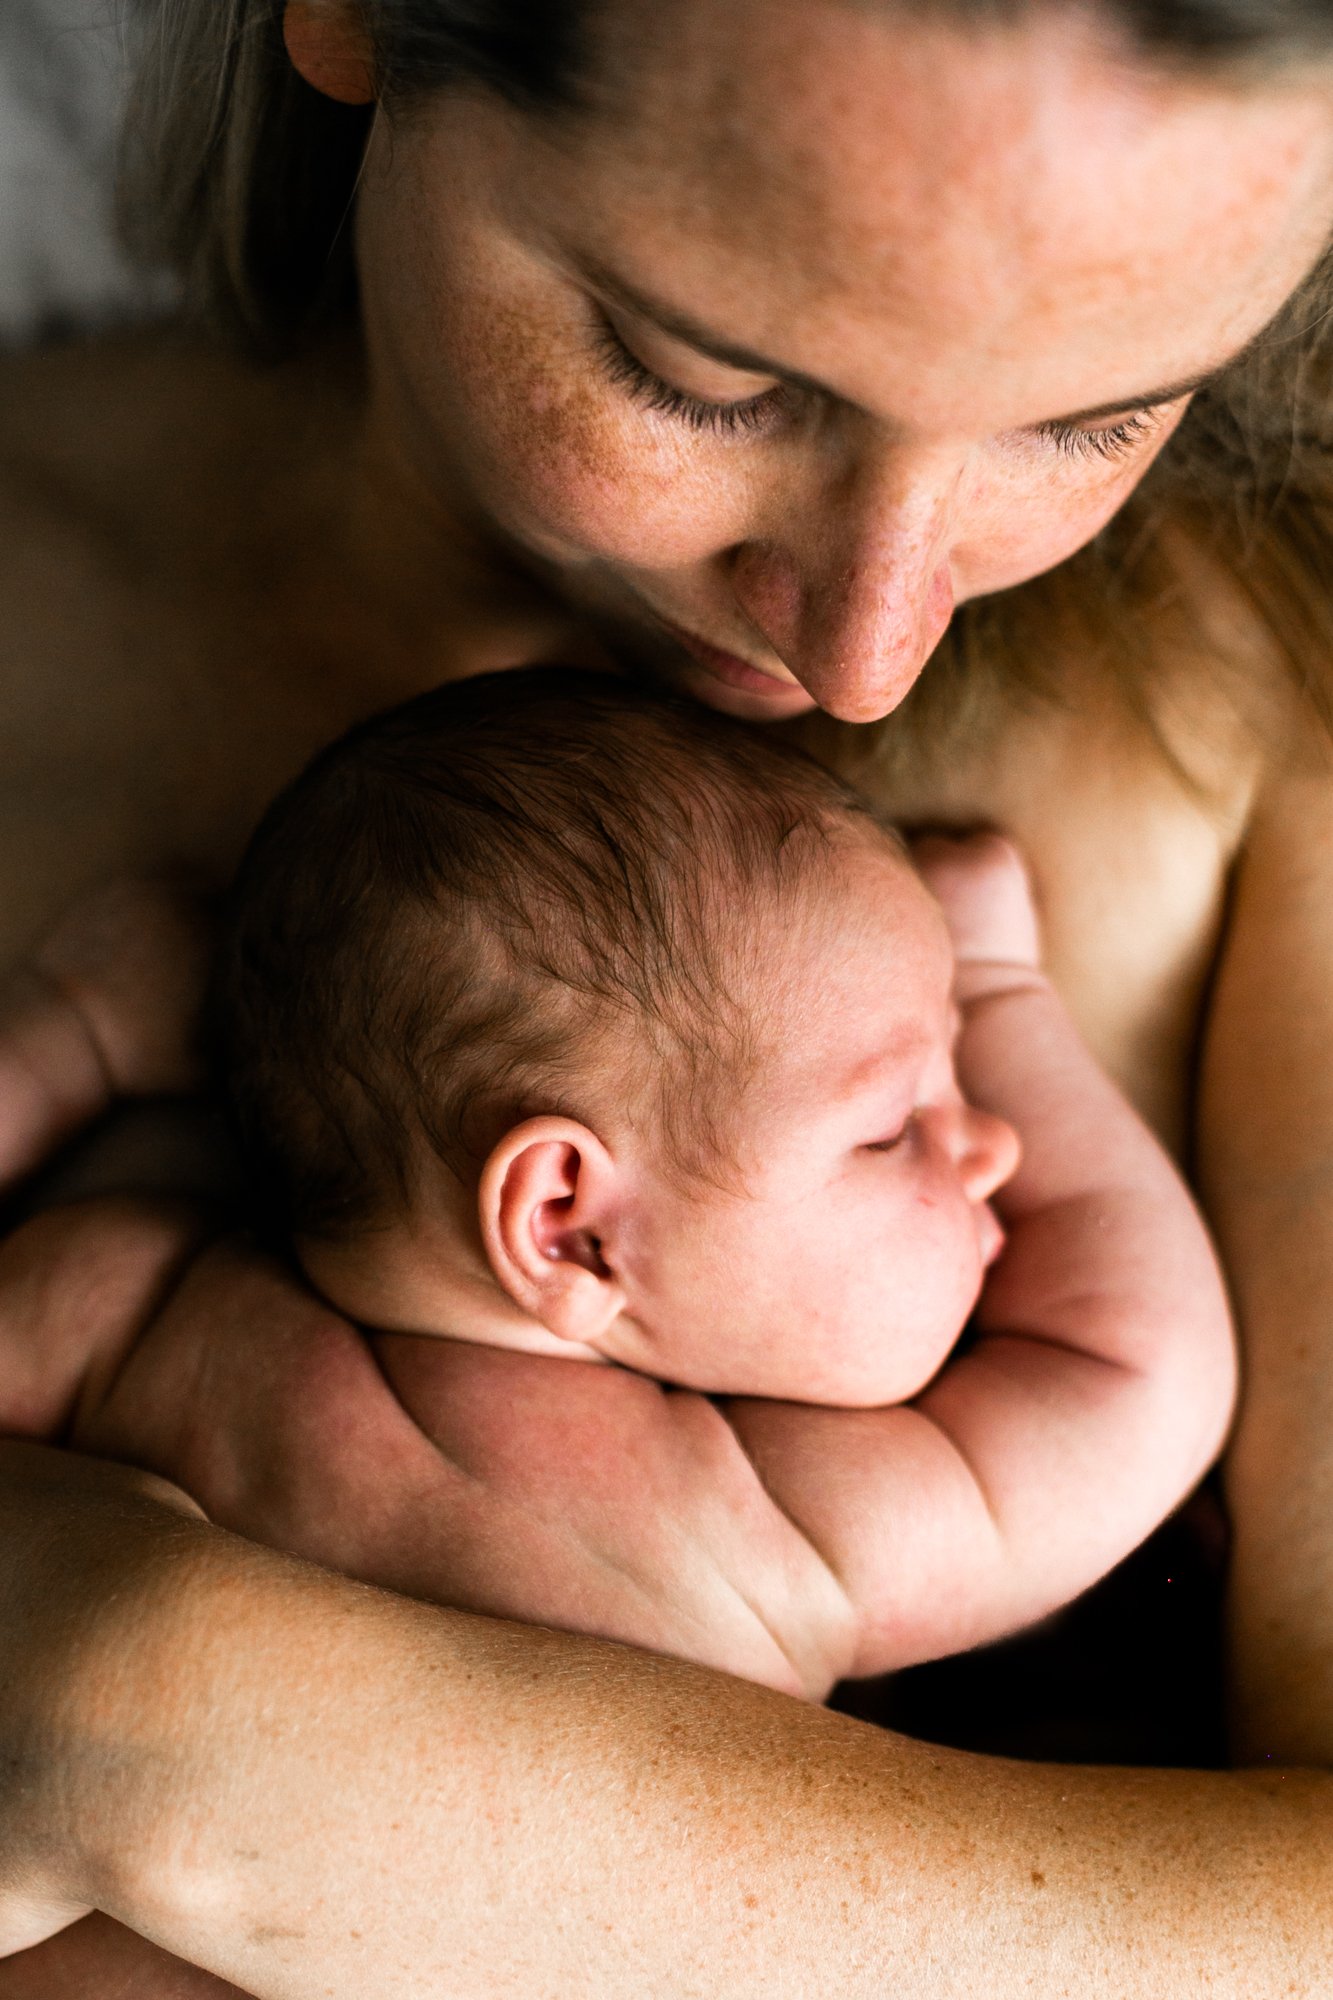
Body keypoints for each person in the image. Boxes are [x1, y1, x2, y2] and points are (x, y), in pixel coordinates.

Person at [1, 0, 1332, 1992]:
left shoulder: (1268, 743)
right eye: (704, 372)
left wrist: (184, 1729)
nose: (873, 655)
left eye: (1101, 415)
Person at [0, 669, 1234, 1735]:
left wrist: (67, 1041)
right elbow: (1132, 1366)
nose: (997, 1141)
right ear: (569, 1223)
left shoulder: (128, 1299)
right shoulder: (745, 1525)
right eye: (892, 1123)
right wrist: (1010, 990)